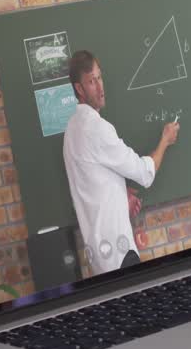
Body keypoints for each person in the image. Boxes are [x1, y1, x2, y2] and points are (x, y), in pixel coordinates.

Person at [63, 50, 179, 275]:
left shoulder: (71, 130)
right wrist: (165, 140)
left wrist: (120, 193)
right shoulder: (97, 128)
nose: (99, 87)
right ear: (79, 89)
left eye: (99, 78)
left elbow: (92, 180)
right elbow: (145, 174)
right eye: (91, 81)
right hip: (119, 254)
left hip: (99, 259)